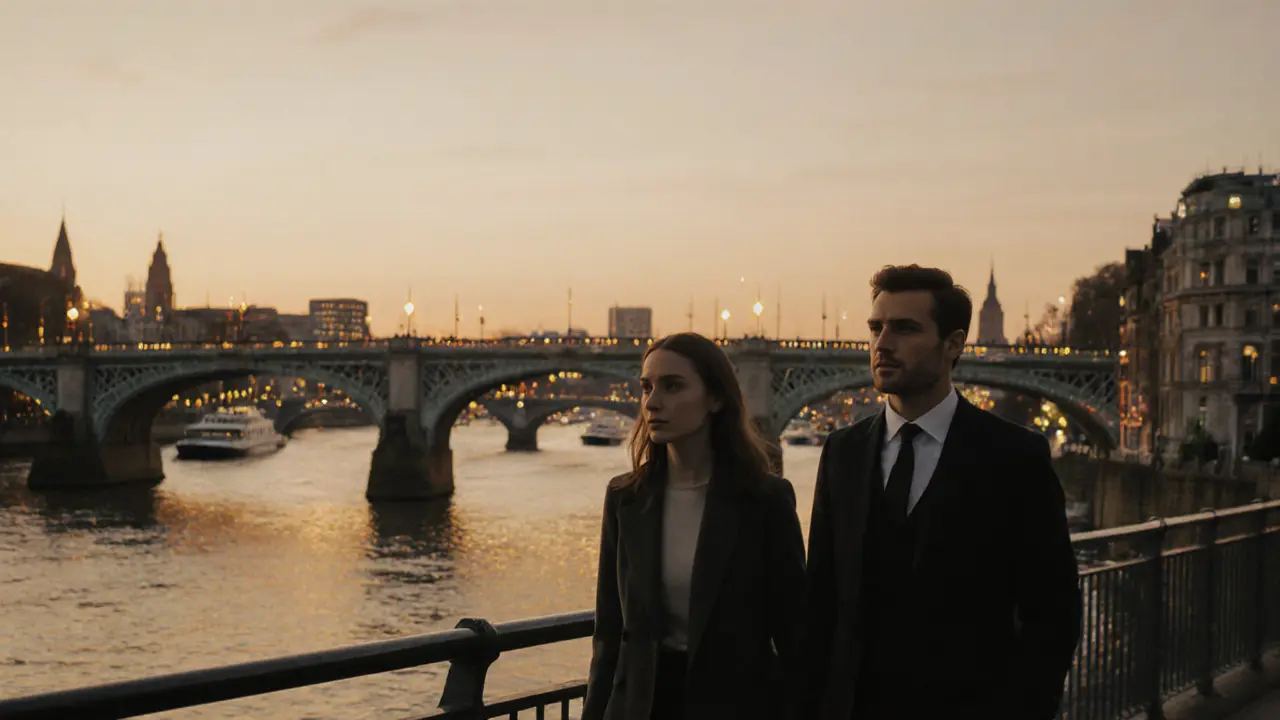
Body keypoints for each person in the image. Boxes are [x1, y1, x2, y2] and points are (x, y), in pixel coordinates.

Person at [803, 265, 1082, 719]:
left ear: (953, 344)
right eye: (876, 327)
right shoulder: (842, 452)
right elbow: (820, 606)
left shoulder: (1015, 457)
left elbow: (1053, 613)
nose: (882, 344)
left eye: (905, 329)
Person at [583, 332, 807, 720]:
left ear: (716, 399)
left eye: (673, 387)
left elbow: (794, 635)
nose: (653, 402)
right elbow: (609, 635)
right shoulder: (625, 499)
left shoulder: (764, 500)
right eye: (647, 387)